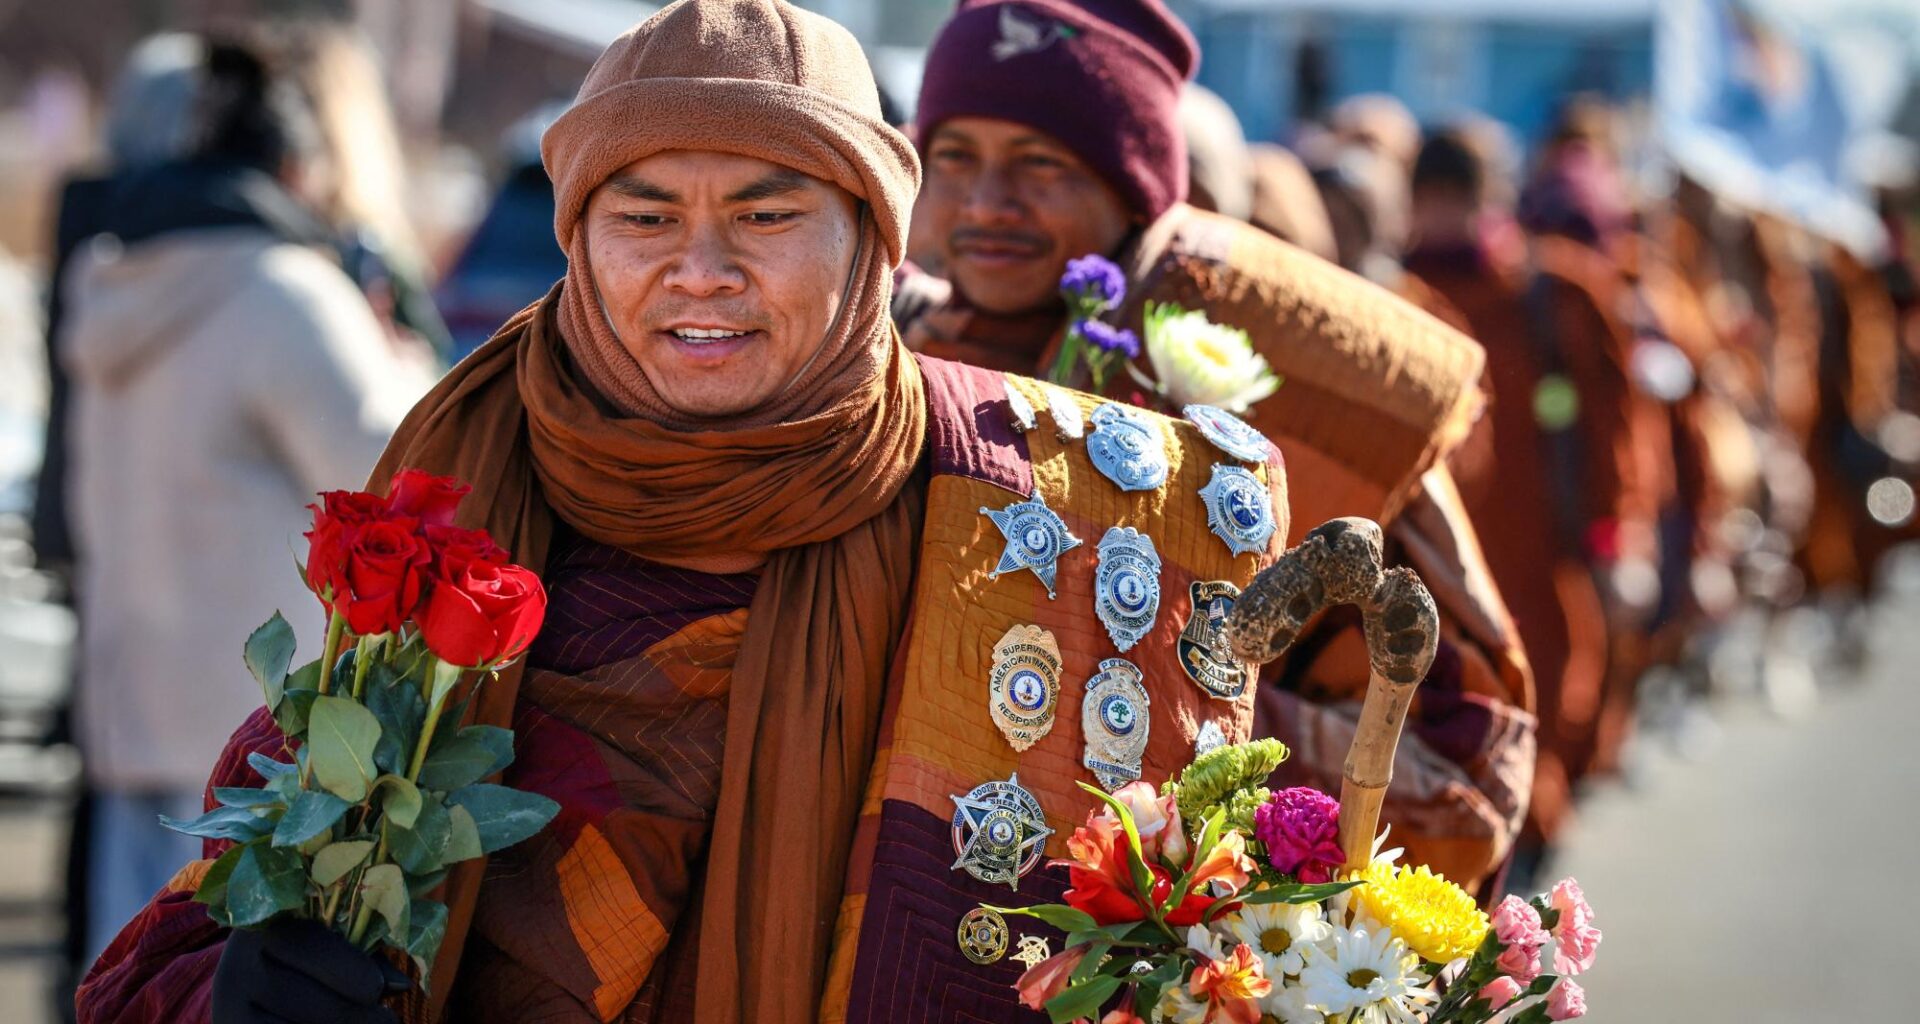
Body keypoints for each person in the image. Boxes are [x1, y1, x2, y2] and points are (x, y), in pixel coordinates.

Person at [79, 2, 1293, 1021]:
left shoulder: (1027, 510)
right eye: (645, 217)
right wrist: (241, 986)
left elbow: (1165, 939)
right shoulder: (471, 491)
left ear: (873, 241)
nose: (700, 270)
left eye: (768, 216)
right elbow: (238, 887)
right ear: (578, 239)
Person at [902, 0, 1532, 892]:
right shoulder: (881, 360)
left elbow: (1469, 784)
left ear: (1134, 187)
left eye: (1042, 164)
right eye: (955, 156)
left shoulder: (1284, 377)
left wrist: (1174, 710)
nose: (988, 202)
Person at [59, 35, 435, 968]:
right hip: (256, 755)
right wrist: (399, 341)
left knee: (130, 988)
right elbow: (409, 468)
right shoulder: (285, 295)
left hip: (128, 722)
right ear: (297, 166)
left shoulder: (110, 280)